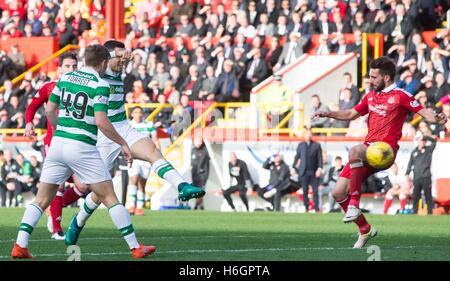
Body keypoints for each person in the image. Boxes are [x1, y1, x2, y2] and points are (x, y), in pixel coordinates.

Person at [11, 44, 155, 259]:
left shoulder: (65, 79)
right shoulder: (100, 84)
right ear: (104, 63)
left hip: (58, 145)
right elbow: (102, 121)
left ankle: (20, 245)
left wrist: (60, 130)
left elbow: (49, 109)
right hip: (82, 146)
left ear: (84, 61)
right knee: (109, 197)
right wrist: (123, 143)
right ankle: (135, 247)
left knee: (41, 199)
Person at [63, 40, 205, 245]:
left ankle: (182, 186)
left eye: (124, 56)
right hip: (103, 133)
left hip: (122, 127)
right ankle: (78, 222)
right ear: (106, 58)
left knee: (152, 151)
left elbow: (117, 66)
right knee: (99, 189)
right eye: (119, 56)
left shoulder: (115, 69)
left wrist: (125, 58)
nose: (123, 60)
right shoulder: (97, 73)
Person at [314, 56, 447, 248]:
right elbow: (351, 114)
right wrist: (329, 114)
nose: (370, 80)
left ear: (386, 78)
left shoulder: (401, 95)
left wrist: (437, 118)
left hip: (385, 151)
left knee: (355, 150)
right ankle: (365, 229)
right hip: (368, 150)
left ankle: (354, 204)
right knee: (337, 193)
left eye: (373, 77)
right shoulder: (370, 96)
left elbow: (424, 112)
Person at [24, 51, 85, 240]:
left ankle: (54, 210)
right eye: (67, 66)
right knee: (56, 185)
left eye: (74, 66)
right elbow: (32, 106)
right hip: (54, 142)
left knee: (84, 187)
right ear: (59, 70)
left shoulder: (84, 90)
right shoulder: (49, 88)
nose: (71, 70)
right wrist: (28, 122)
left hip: (77, 142)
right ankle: (56, 228)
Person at [126, 106, 160, 216]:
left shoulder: (149, 125)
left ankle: (139, 208)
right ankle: (131, 205)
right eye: (136, 112)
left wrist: (158, 154)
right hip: (134, 156)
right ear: (132, 114)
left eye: (140, 112)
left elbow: (155, 139)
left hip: (146, 158)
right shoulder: (128, 125)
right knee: (134, 179)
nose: (138, 114)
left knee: (142, 184)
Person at [293, 129, 323, 213]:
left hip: (314, 172)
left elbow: (319, 158)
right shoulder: (300, 145)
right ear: (304, 135)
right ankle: (306, 208)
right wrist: (293, 167)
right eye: (307, 134)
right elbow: (297, 157)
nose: (308, 136)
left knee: (315, 191)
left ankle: (317, 209)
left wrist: (319, 169)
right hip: (304, 172)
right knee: (305, 191)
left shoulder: (317, 145)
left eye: (310, 134)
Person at [405, 135, 437, 215]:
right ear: (418, 142)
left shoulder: (428, 150)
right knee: (416, 196)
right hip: (417, 177)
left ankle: (430, 212)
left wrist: (426, 136)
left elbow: (434, 141)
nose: (422, 142)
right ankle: (414, 212)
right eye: (421, 140)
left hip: (426, 177)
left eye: (424, 141)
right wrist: (407, 173)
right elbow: (410, 163)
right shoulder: (414, 152)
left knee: (428, 196)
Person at [191, 138, 210, 210]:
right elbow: (192, 161)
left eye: (199, 142)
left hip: (202, 174)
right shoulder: (193, 150)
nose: (198, 144)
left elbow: (206, 162)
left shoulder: (205, 151)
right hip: (194, 174)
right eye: (196, 142)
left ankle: (196, 205)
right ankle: (201, 205)